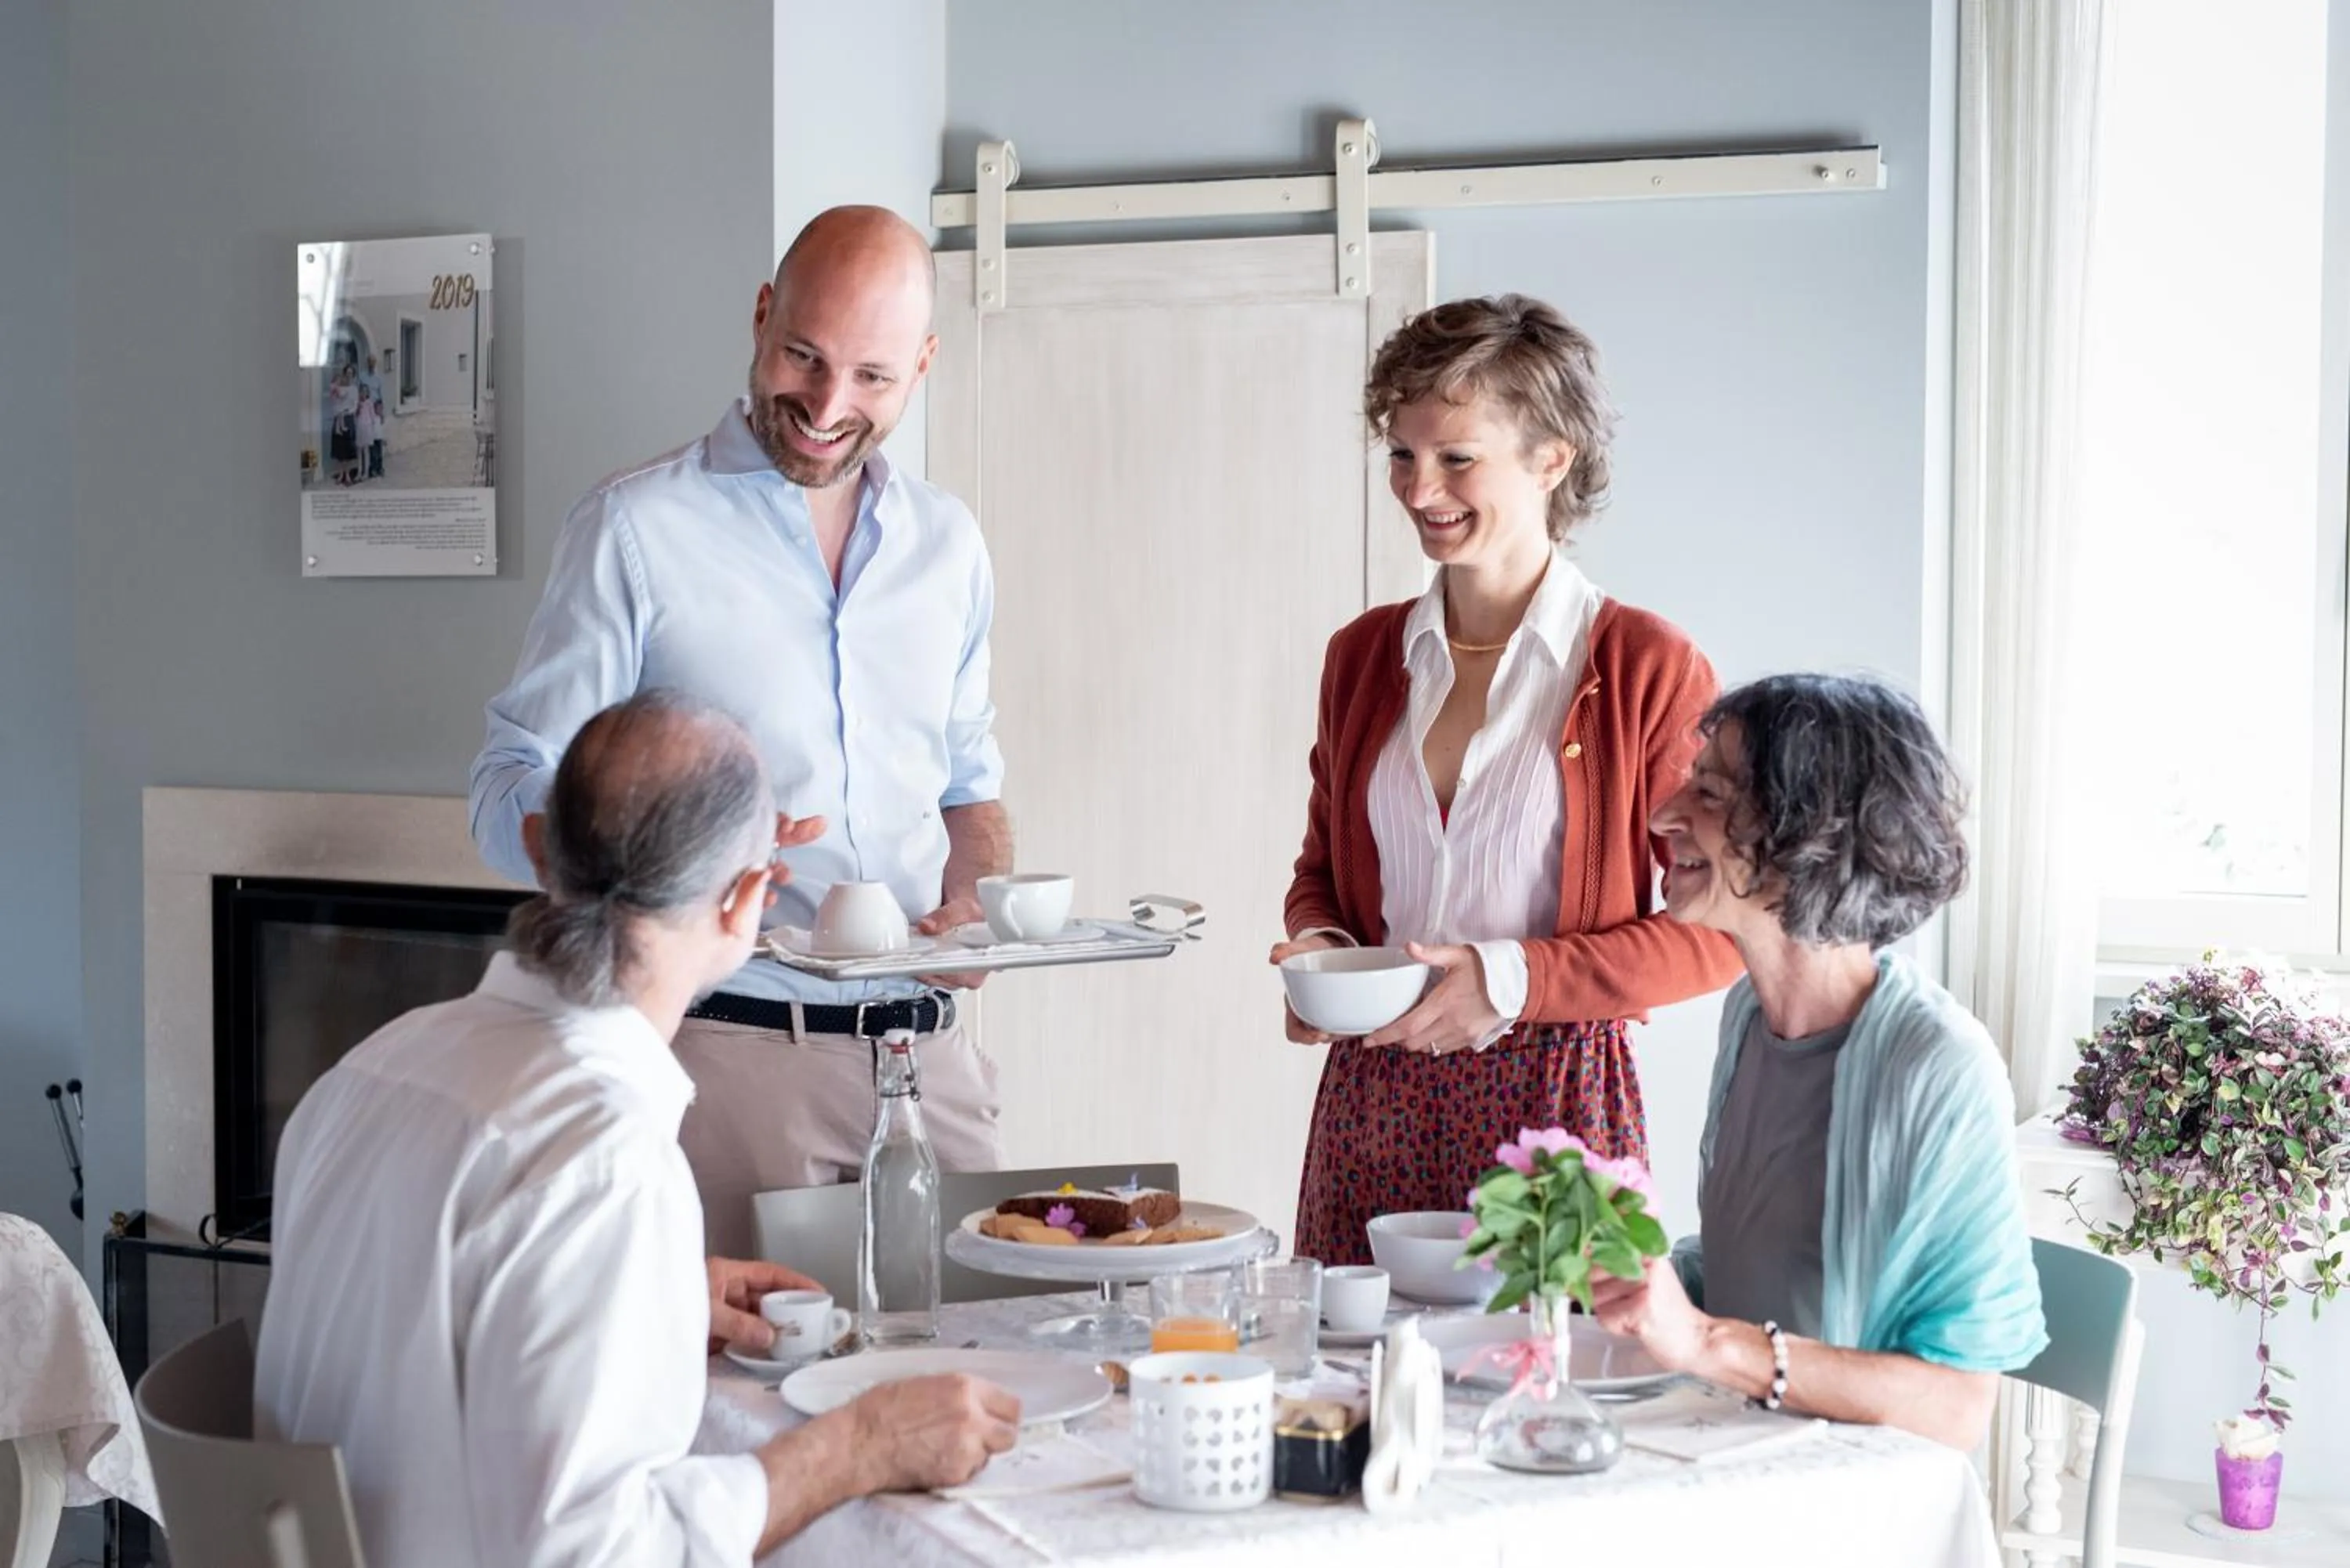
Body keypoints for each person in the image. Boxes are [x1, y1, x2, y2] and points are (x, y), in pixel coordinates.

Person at [257, 692, 1021, 1567]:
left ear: (544, 853)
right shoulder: (600, 1155)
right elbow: (596, 1552)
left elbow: (426, 1343)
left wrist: (646, 1303)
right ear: (750, 902)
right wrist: (857, 1447)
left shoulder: (368, 1072)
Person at [469, 206, 1010, 1256]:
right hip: (731, 1055)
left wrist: (973, 902)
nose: (826, 405)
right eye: (804, 357)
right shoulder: (634, 530)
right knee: (740, 1400)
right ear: (762, 317)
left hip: (931, 1064)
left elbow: (968, 786)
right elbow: (506, 788)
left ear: (924, 365)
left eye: (872, 377)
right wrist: (674, 853)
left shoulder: (951, 545)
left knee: (983, 1376)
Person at [1273, 295, 1743, 1266]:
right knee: (1354, 1392)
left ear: (1550, 458)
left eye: (1455, 457)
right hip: (1373, 1091)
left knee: (1548, 1393)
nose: (1417, 487)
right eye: (1401, 454)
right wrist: (1322, 952)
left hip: (1557, 1097)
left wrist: (1512, 979)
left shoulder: (1649, 665)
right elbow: (1324, 867)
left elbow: (1723, 931)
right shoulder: (1360, 657)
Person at [1589, 673, 2047, 1450]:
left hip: (1849, 1495)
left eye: (1710, 793)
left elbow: (1959, 1408)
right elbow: (1759, 1270)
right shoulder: (1748, 1015)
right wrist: (1625, 1272)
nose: (1665, 814)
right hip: (1736, 1451)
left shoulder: (1940, 1066)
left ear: (1810, 831)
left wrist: (1705, 1342)